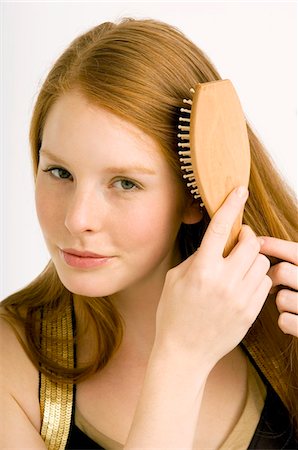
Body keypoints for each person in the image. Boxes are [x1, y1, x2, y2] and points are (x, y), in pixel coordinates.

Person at [1, 18, 297, 450]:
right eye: (59, 172)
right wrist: (179, 363)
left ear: (196, 195)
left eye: (125, 183)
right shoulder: (13, 365)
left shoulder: (283, 326)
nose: (77, 219)